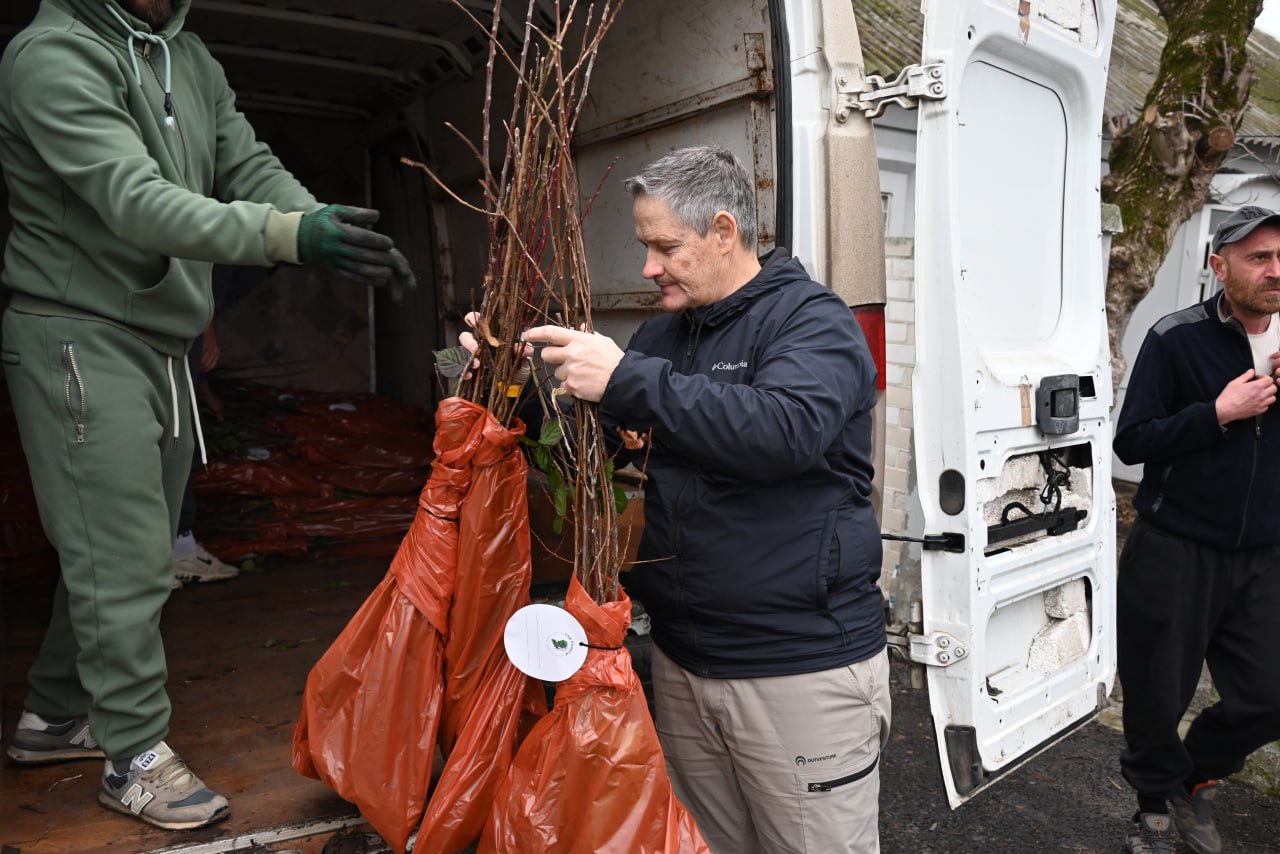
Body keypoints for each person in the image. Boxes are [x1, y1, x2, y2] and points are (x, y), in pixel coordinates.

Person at [0, 0, 413, 832]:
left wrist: (323, 224)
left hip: (161, 337)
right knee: (117, 555)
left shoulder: (187, 56)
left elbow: (246, 162)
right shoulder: (49, 56)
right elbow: (134, 201)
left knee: (134, 548)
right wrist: (291, 240)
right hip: (80, 333)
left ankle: (53, 716)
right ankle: (133, 755)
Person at [522, 145, 890, 854]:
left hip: (797, 668)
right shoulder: (663, 335)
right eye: (645, 247)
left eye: (665, 247)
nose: (648, 268)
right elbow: (597, 442)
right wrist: (520, 392)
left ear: (724, 232)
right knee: (707, 843)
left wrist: (630, 379)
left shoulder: (811, 322)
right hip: (686, 660)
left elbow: (786, 431)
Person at [1113, 204, 1280, 854]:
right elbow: (1132, 442)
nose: (1274, 270)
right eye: (1258, 257)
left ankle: (1195, 775)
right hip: (1175, 546)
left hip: (1264, 553)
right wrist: (1217, 413)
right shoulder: (1176, 337)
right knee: (1156, 693)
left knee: (1268, 694)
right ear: (1219, 265)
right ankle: (1153, 805)